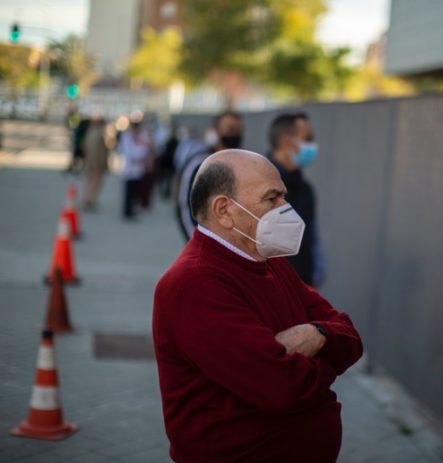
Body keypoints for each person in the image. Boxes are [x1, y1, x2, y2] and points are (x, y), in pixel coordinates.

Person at [153, 149, 363, 462]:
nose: (286, 208)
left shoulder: (267, 261)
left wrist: (317, 334)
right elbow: (282, 387)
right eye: (272, 198)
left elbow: (351, 337)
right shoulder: (193, 283)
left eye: (283, 196)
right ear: (224, 210)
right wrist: (328, 366)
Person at [267, 113, 324, 286]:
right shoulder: (257, 184)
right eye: (307, 138)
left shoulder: (304, 189)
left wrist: (315, 275)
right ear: (286, 140)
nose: (312, 145)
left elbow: (310, 238)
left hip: (300, 285)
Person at [175, 111, 243, 241]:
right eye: (230, 129)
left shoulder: (245, 163)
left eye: (238, 130)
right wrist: (196, 242)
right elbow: (185, 206)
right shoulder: (199, 164)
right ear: (216, 131)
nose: (235, 134)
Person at [118, 112, 151, 219]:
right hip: (130, 168)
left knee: (134, 191)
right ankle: (127, 211)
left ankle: (131, 209)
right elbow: (130, 153)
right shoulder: (127, 137)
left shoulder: (139, 137)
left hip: (137, 168)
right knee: (129, 191)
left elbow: (144, 149)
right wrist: (141, 154)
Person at [81, 114, 109, 211]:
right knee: (95, 183)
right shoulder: (100, 134)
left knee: (89, 182)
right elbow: (103, 150)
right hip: (97, 163)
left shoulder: (89, 133)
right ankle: (91, 200)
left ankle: (87, 199)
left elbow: (84, 147)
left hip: (90, 162)